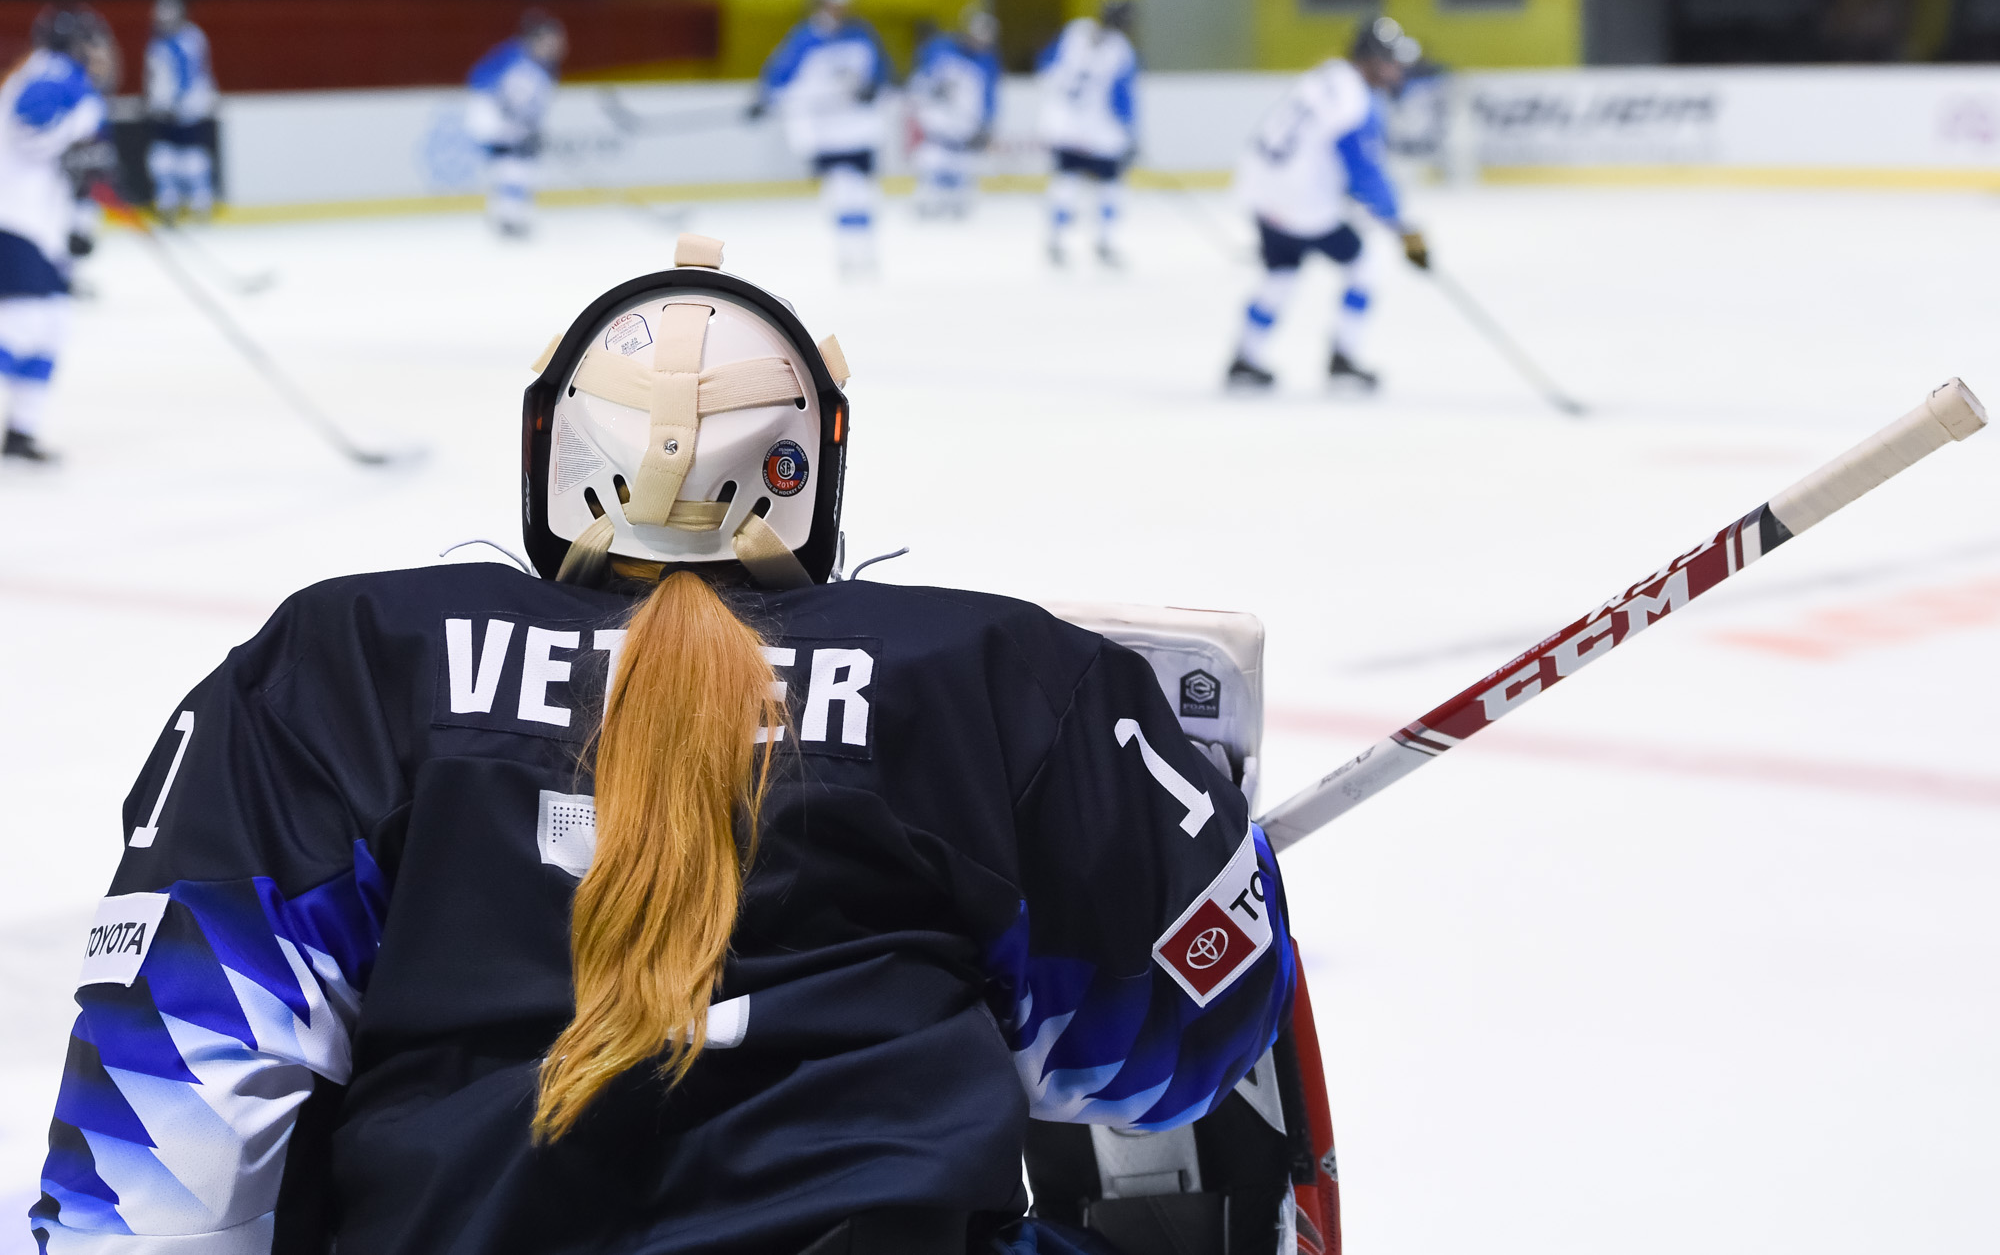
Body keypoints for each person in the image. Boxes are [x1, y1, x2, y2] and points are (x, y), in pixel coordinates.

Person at [29, 234, 1294, 1254]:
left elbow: (163, 1148)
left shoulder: (343, 658)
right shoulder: (1002, 675)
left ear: (554, 449)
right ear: (811, 466)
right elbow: (1163, 1066)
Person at [1227, 16, 1430, 392]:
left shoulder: (1326, 75)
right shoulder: (1358, 102)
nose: (1396, 71)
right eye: (1390, 61)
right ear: (1369, 58)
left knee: (1281, 272)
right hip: (1304, 207)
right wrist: (1405, 228)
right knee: (1364, 265)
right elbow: (1365, 173)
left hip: (1262, 192)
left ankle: (1245, 358)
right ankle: (1344, 358)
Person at [0, 5, 116, 464]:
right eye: (92, 43)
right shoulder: (55, 72)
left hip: (36, 226)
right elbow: (33, 130)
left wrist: (80, 223)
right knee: (24, 323)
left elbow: (75, 164)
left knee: (53, 327)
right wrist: (73, 137)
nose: (100, 53)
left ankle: (20, 432)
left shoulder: (56, 76)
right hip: (15, 221)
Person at [751, 0, 892, 276]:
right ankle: (848, 253)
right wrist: (764, 99)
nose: (837, 8)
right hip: (826, 134)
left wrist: (874, 87)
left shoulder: (861, 35)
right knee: (841, 191)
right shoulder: (805, 38)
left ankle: (865, 252)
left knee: (863, 193)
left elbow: (883, 71)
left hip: (859, 130)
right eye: (831, 2)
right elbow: (779, 76)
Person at [1036, 0, 1139, 267]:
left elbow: (1045, 64)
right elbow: (1123, 99)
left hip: (1063, 125)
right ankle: (1104, 241)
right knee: (1109, 184)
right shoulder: (1121, 50)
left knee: (1066, 180)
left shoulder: (1075, 31)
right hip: (1101, 131)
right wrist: (1132, 133)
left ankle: (1055, 240)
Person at [465, 10, 566, 238]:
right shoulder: (522, 61)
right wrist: (523, 126)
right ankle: (508, 217)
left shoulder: (536, 62)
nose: (559, 43)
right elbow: (502, 94)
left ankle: (507, 214)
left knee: (517, 164)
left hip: (503, 120)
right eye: (553, 37)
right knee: (516, 163)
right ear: (538, 38)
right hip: (495, 119)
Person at [907, 8, 1000, 220]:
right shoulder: (939, 49)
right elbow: (918, 80)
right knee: (929, 192)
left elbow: (990, 96)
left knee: (961, 199)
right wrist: (929, 90)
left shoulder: (987, 61)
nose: (981, 42)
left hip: (964, 134)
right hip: (937, 133)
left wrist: (987, 124)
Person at [143, 0, 219, 223]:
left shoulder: (187, 39)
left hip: (186, 109)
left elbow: (188, 75)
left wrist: (175, 104)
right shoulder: (159, 40)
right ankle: (169, 200)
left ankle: (201, 200)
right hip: (168, 109)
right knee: (163, 154)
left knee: (191, 155)